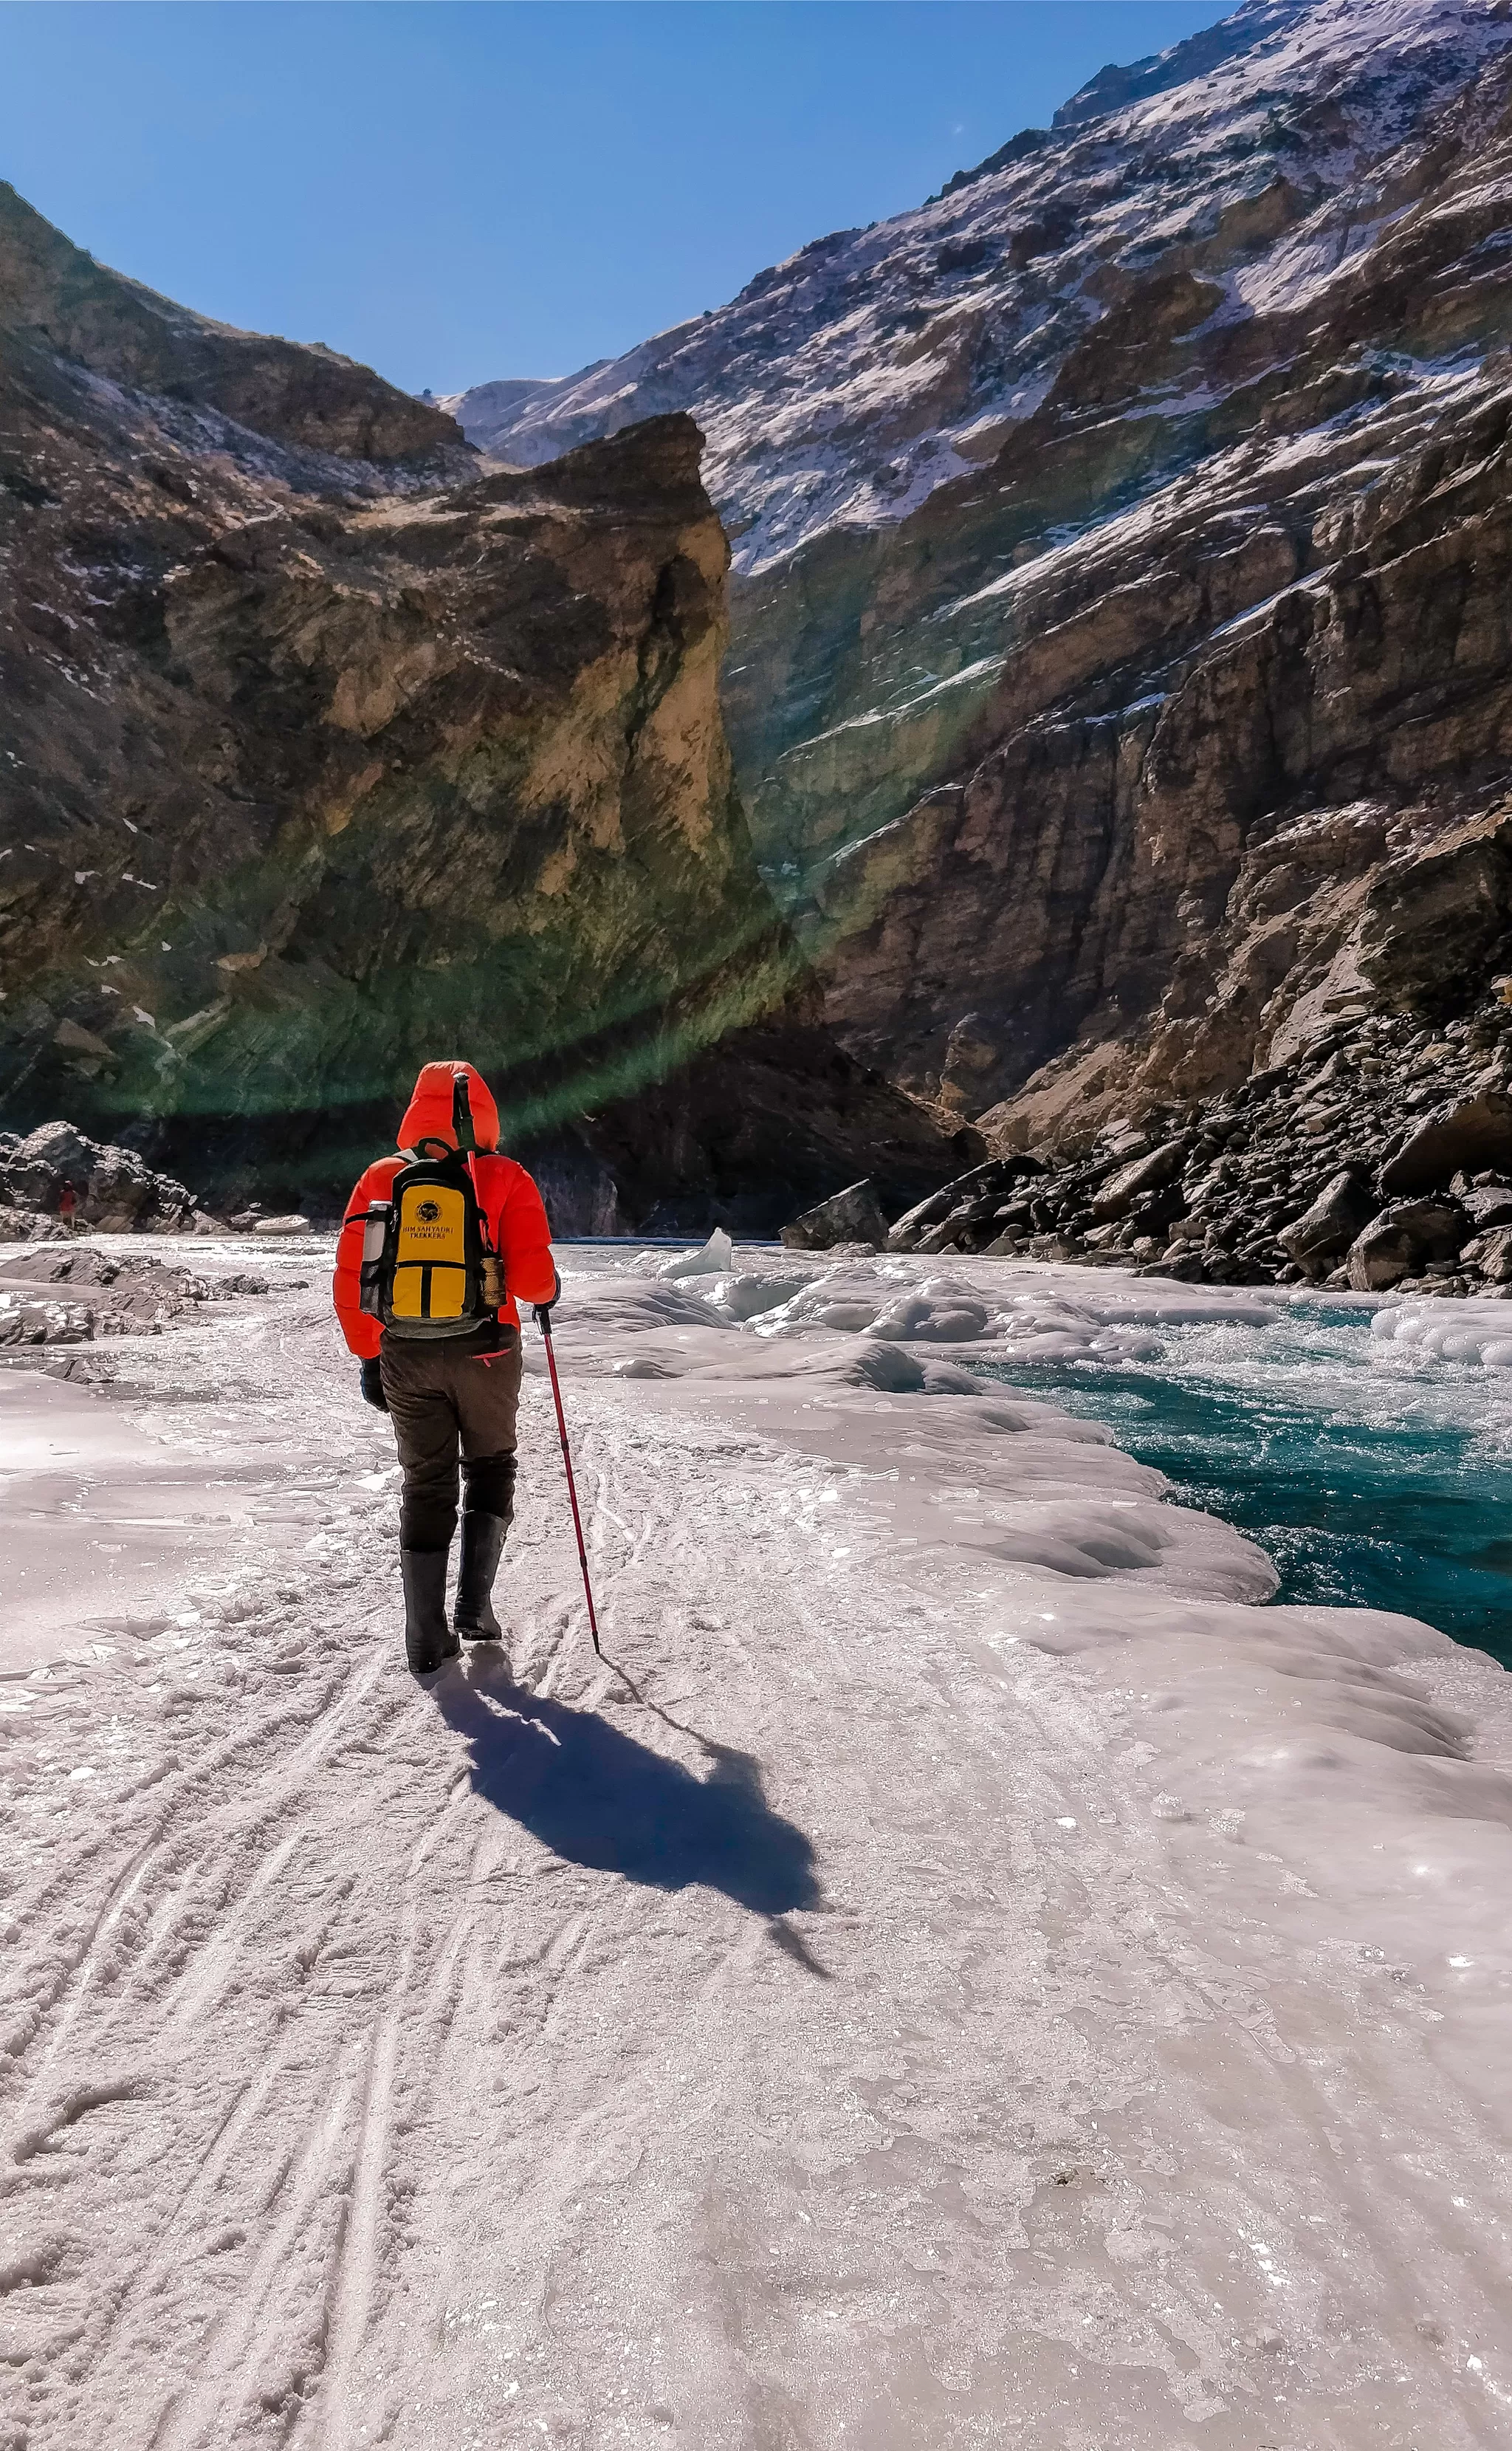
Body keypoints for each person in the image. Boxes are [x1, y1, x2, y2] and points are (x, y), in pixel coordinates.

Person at [332, 1060, 559, 1676]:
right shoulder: (504, 1175)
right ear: (485, 1115)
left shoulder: (380, 1176)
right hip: (487, 1347)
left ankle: (424, 1635)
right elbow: (534, 1280)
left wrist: (370, 1356)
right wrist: (549, 1287)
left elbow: (354, 1282)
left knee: (424, 1483)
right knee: (490, 1463)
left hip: (405, 1353)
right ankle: (475, 1605)